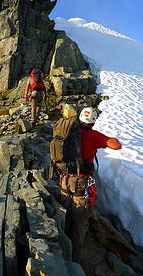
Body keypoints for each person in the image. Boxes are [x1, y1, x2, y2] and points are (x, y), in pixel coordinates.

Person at [59, 107, 122, 263]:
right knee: (80, 223)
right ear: (93, 121)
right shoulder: (93, 135)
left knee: (65, 215)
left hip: (64, 180)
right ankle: (74, 261)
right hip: (82, 183)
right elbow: (116, 145)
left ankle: (60, 250)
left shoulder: (67, 132)